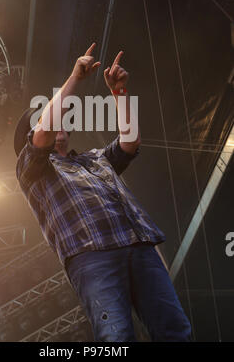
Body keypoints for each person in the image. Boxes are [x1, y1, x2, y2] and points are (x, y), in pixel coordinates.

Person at [14, 42, 192, 342]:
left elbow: (130, 142)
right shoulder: (33, 171)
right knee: (116, 336)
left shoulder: (95, 158)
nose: (60, 126)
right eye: (49, 120)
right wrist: (74, 79)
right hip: (91, 256)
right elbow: (43, 131)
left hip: (138, 244)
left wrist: (119, 93)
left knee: (175, 329)